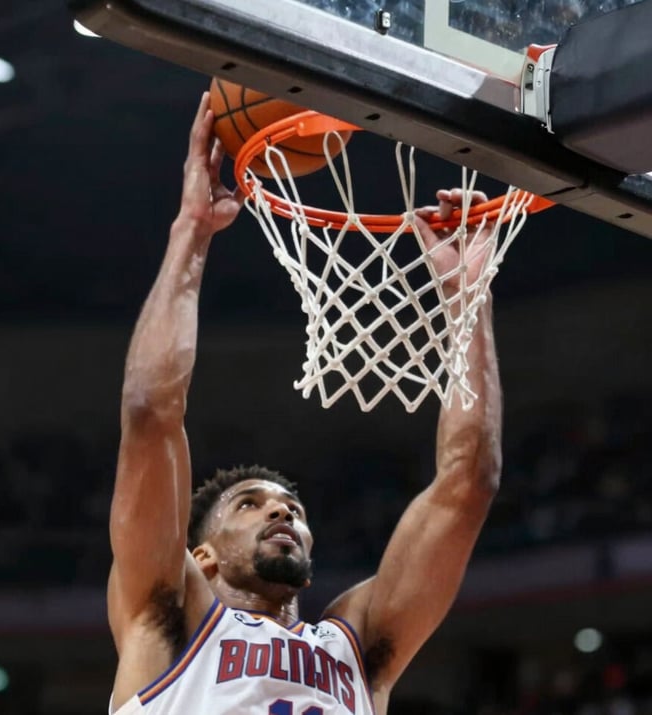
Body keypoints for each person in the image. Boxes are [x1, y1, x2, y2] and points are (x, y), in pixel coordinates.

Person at [107, 92, 502, 715]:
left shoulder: (355, 644)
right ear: (201, 557)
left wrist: (467, 298)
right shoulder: (168, 620)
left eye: (291, 507)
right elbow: (149, 413)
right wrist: (193, 230)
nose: (281, 512)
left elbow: (468, 480)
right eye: (250, 504)